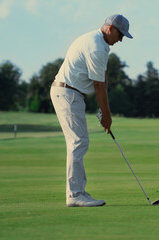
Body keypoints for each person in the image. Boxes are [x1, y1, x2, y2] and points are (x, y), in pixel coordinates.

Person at [50, 14, 133, 207]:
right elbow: (98, 85)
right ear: (110, 29)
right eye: (120, 35)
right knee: (78, 142)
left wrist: (105, 113)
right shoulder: (96, 47)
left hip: (71, 93)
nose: (121, 40)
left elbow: (102, 81)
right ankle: (75, 195)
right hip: (67, 93)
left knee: (79, 142)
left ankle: (78, 192)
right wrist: (107, 115)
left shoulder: (98, 42)